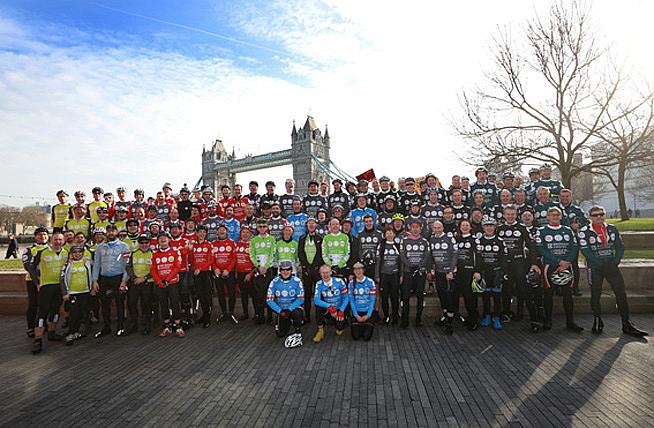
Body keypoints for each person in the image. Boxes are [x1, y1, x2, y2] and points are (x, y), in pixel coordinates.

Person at [579, 206, 648, 337]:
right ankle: (597, 320)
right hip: (595, 267)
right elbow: (585, 250)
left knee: (621, 293)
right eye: (595, 215)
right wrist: (599, 263)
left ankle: (626, 323)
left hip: (611, 266)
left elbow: (620, 246)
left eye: (601, 214)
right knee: (595, 294)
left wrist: (615, 261)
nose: (599, 217)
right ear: (590, 217)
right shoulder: (584, 231)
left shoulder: (611, 228)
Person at [535, 207, 583, 333]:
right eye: (552, 215)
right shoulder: (541, 231)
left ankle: (570, 321)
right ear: (548, 217)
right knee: (548, 294)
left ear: (561, 216)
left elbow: (574, 247)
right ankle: (548, 320)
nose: (555, 217)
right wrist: (558, 261)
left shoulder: (567, 230)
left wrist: (566, 262)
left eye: (557, 215)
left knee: (568, 294)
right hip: (549, 266)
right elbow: (541, 249)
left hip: (566, 266)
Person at [497, 205, 541, 327]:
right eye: (508, 214)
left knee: (523, 289)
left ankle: (530, 317)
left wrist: (533, 263)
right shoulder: (499, 229)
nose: (510, 216)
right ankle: (506, 313)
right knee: (506, 289)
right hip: (505, 264)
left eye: (512, 214)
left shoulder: (522, 228)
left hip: (520, 263)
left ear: (516, 215)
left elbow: (531, 247)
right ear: (504, 215)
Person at [30, 232, 68, 353]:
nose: (58, 242)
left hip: (60, 286)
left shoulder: (66, 253)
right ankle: (38, 339)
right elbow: (31, 267)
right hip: (46, 286)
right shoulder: (42, 252)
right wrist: (37, 282)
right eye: (55, 239)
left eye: (60, 240)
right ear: (51, 240)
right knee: (43, 312)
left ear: (64, 241)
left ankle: (52, 333)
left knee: (55, 310)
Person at [92, 224, 130, 338]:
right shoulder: (100, 247)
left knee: (119, 303)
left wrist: (124, 281)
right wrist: (95, 280)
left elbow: (127, 265)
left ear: (117, 232)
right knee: (104, 303)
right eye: (109, 231)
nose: (111, 233)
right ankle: (106, 327)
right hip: (104, 278)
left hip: (118, 277)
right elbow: (97, 264)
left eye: (113, 231)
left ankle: (120, 326)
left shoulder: (124, 246)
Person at [475, 218, 507, 330]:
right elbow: (477, 257)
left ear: (495, 227)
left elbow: (504, 258)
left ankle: (497, 317)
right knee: (486, 296)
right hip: (484, 272)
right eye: (486, 226)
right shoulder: (479, 241)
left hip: (496, 271)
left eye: (491, 226)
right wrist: (478, 271)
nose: (489, 228)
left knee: (497, 296)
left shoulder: (500, 241)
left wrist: (503, 272)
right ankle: (487, 316)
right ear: (483, 227)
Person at [151, 232, 185, 337]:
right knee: (163, 304)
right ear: (158, 241)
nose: (162, 240)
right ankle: (167, 327)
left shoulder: (175, 251)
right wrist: (158, 281)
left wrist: (167, 279)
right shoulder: (155, 253)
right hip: (160, 284)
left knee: (175, 303)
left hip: (172, 282)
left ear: (169, 240)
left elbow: (177, 266)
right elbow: (152, 269)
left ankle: (178, 327)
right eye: (160, 238)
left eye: (165, 238)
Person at [428, 221, 458, 334]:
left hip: (448, 273)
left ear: (443, 228)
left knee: (449, 296)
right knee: (441, 294)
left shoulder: (449, 238)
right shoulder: (431, 239)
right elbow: (430, 255)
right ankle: (445, 316)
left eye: (439, 227)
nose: (437, 229)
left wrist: (451, 270)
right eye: (435, 228)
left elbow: (455, 254)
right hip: (438, 272)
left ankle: (450, 323)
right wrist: (431, 269)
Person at [399, 221, 430, 328]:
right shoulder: (404, 241)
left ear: (421, 229)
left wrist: (419, 266)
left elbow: (427, 256)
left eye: (417, 227)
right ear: (410, 228)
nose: (415, 229)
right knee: (405, 296)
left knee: (420, 296)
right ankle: (405, 320)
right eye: (413, 227)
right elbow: (402, 255)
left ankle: (418, 319)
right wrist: (410, 265)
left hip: (420, 272)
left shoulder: (425, 241)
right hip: (408, 272)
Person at [266, 260, 304, 347]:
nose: (285, 272)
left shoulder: (297, 281)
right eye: (283, 270)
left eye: (288, 269)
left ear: (291, 270)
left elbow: (301, 299)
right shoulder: (274, 282)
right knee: (280, 334)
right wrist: (279, 311)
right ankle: (287, 322)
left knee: (297, 313)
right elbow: (269, 300)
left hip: (293, 308)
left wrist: (289, 309)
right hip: (281, 310)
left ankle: (297, 331)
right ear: (280, 271)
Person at [61, 245, 93, 345]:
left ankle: (76, 332)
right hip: (72, 292)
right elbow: (62, 278)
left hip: (85, 292)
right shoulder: (67, 264)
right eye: (74, 252)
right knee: (74, 313)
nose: (77, 254)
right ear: (71, 254)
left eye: (79, 252)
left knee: (81, 314)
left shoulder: (87, 262)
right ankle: (70, 333)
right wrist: (65, 292)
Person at [559, 188, 588, 296]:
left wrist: (578, 225)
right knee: (559, 264)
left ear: (571, 197)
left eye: (567, 196)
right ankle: (560, 288)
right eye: (563, 196)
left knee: (574, 264)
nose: (565, 198)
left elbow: (587, 222)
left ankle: (575, 287)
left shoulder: (577, 210)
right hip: (559, 242)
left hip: (573, 242)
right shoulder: (556, 208)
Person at [22, 226, 49, 338]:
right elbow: (28, 266)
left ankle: (43, 325)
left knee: (45, 304)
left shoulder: (51, 249)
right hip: (33, 281)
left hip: (47, 281)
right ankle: (30, 327)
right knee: (33, 304)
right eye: (39, 235)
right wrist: (37, 281)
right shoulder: (29, 250)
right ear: (35, 237)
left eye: (45, 235)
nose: (42, 237)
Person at [249, 219, 277, 324]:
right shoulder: (254, 240)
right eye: (260, 227)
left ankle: (270, 317)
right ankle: (260, 316)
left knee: (268, 292)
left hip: (268, 269)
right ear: (257, 228)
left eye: (264, 226)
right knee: (258, 294)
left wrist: (266, 267)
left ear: (267, 227)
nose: (262, 228)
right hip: (258, 269)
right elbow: (251, 254)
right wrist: (258, 266)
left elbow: (272, 254)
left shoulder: (272, 239)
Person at [126, 234, 154, 335]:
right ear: (139, 243)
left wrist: (144, 278)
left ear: (149, 243)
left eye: (146, 242)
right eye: (142, 243)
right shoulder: (134, 253)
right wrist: (134, 278)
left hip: (148, 282)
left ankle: (147, 326)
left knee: (146, 304)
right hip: (135, 282)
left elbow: (156, 269)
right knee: (131, 303)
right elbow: (128, 266)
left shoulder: (153, 254)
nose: (144, 245)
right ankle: (134, 325)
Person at [313, 264, 349, 342]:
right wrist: (330, 307)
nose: (325, 275)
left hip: (339, 309)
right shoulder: (319, 283)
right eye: (323, 273)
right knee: (318, 307)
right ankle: (320, 330)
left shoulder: (339, 281)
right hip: (329, 309)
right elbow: (316, 300)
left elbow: (346, 298)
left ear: (331, 272)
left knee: (339, 330)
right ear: (320, 274)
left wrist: (341, 310)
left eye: (327, 272)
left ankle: (338, 321)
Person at [298, 218, 324, 323]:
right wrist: (305, 266)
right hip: (307, 270)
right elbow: (300, 253)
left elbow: (321, 253)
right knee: (307, 293)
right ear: (307, 225)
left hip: (317, 270)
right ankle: (307, 315)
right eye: (309, 223)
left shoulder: (320, 238)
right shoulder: (302, 238)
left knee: (319, 294)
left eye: (313, 223)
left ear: (316, 225)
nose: (311, 225)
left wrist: (316, 266)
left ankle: (320, 315)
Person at [375, 227, 402, 325]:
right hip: (384, 275)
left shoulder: (398, 245)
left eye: (391, 233)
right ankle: (386, 316)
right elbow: (378, 261)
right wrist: (377, 275)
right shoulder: (381, 245)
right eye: (387, 233)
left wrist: (401, 275)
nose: (390, 235)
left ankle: (395, 316)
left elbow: (401, 262)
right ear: (385, 235)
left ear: (394, 234)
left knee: (395, 297)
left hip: (394, 274)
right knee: (384, 297)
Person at [212, 224, 237, 323]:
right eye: (220, 230)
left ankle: (231, 313)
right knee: (220, 293)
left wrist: (228, 270)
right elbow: (211, 258)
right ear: (217, 232)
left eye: (223, 230)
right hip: (218, 272)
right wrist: (215, 268)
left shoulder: (232, 243)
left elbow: (234, 258)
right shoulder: (213, 243)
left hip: (229, 272)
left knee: (232, 293)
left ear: (227, 231)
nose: (222, 231)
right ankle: (223, 313)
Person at [191, 225, 214, 328]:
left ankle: (207, 318)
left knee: (207, 295)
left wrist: (200, 268)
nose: (202, 234)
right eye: (200, 232)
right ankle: (204, 315)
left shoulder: (209, 245)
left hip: (206, 273)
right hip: (196, 273)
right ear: (197, 233)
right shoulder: (193, 245)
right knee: (200, 295)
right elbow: (191, 259)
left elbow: (211, 260)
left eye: (204, 232)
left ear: (206, 234)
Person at [348, 262, 377, 341]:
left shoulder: (370, 282)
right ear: (353, 271)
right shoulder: (351, 283)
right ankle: (361, 325)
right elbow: (351, 301)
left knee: (366, 337)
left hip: (367, 312)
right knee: (356, 337)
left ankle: (365, 325)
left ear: (363, 270)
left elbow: (372, 300)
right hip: (357, 312)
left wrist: (368, 315)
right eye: (356, 270)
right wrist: (356, 315)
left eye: (360, 269)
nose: (358, 271)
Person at [234, 226, 256, 321]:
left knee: (254, 294)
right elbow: (235, 259)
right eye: (243, 232)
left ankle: (256, 314)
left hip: (250, 273)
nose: (245, 234)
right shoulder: (237, 244)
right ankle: (245, 313)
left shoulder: (253, 245)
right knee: (243, 294)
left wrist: (250, 274)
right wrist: (236, 272)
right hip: (240, 273)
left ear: (251, 235)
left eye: (247, 232)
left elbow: (256, 261)